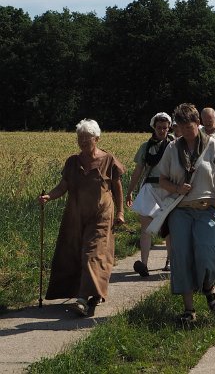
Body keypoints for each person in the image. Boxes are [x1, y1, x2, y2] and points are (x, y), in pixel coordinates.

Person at [38, 119, 125, 317]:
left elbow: (117, 187)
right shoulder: (72, 162)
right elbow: (63, 186)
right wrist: (49, 196)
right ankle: (93, 292)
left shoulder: (108, 159)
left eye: (87, 138)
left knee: (92, 254)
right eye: (80, 138)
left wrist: (120, 212)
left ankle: (83, 300)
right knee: (72, 254)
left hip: (101, 215)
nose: (83, 142)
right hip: (75, 215)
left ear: (97, 138)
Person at [156, 103, 215, 324]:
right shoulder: (172, 148)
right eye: (181, 127)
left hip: (207, 208)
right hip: (180, 210)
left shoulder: (213, 145)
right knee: (182, 257)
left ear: (198, 123)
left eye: (189, 127)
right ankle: (189, 309)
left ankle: (208, 286)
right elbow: (161, 180)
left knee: (207, 252)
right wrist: (177, 188)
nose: (185, 132)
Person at [126, 112, 174, 276]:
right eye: (159, 127)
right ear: (154, 127)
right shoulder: (145, 147)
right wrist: (130, 191)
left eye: (165, 128)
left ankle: (170, 261)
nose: (162, 131)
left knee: (169, 228)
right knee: (145, 228)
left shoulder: (174, 145)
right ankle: (144, 264)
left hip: (169, 189)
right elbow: (138, 170)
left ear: (169, 128)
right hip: (150, 189)